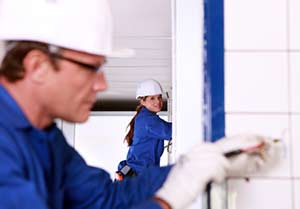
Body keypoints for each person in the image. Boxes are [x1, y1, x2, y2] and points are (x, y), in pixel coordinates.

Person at [0, 0, 281, 209]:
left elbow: (106, 199)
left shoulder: (45, 137)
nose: (102, 85)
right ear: (37, 66)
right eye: (90, 68)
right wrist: (167, 199)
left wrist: (190, 166)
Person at [117, 79, 172, 179]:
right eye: (152, 98)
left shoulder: (144, 117)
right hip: (136, 178)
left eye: (159, 97)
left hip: (133, 175)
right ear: (143, 101)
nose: (158, 102)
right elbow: (172, 131)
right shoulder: (148, 120)